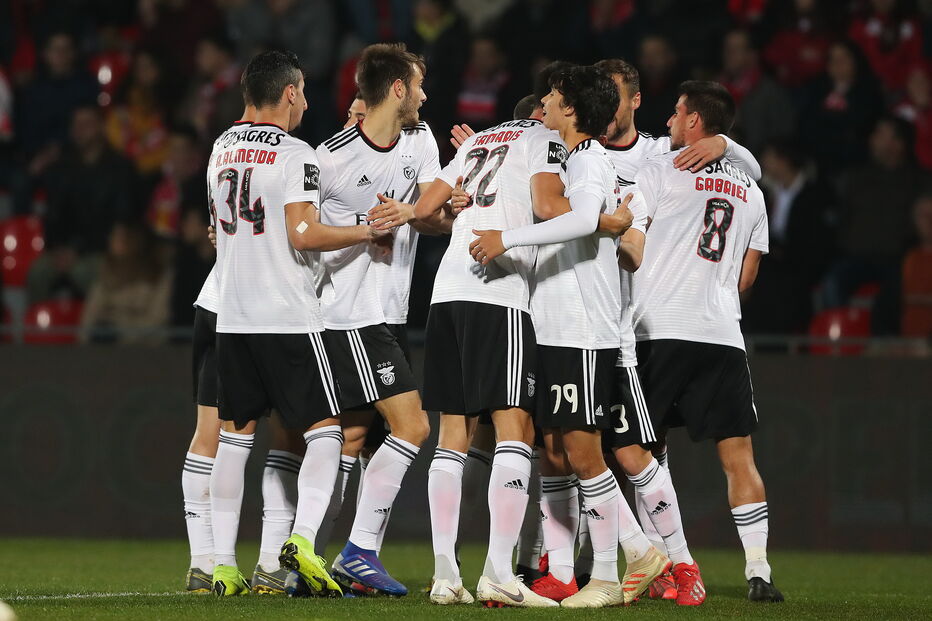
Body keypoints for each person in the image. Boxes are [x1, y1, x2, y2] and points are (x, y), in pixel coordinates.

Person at [208, 50, 372, 598]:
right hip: (286, 315)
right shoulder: (297, 152)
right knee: (328, 431)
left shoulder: (220, 147)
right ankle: (302, 540)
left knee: (235, 437)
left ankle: (223, 567)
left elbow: (218, 231)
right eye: (301, 93)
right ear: (291, 94)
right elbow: (302, 233)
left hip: (232, 316)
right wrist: (364, 232)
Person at [413, 82, 576, 608]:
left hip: (446, 294)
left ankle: (444, 576)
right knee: (516, 427)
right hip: (498, 292)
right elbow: (551, 207)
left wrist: (460, 208)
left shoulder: (477, 141)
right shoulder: (544, 140)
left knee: (452, 435)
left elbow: (425, 211)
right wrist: (604, 211)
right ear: (540, 115)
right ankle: (499, 573)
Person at [628, 80, 783, 603]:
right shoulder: (753, 191)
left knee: (639, 450)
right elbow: (747, 275)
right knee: (739, 459)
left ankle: (667, 562)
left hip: (658, 329)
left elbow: (631, 242)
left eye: (675, 113)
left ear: (695, 121)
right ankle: (758, 572)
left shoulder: (658, 173)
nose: (669, 122)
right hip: (721, 334)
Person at [314, 43, 437, 598]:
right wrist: (368, 227)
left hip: (389, 311)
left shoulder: (421, 140)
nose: (424, 95)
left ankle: (307, 555)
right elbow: (302, 237)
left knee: (356, 435)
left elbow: (433, 217)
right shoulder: (331, 158)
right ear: (396, 90)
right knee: (413, 427)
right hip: (350, 314)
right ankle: (358, 551)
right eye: (418, 85)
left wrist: (423, 212)